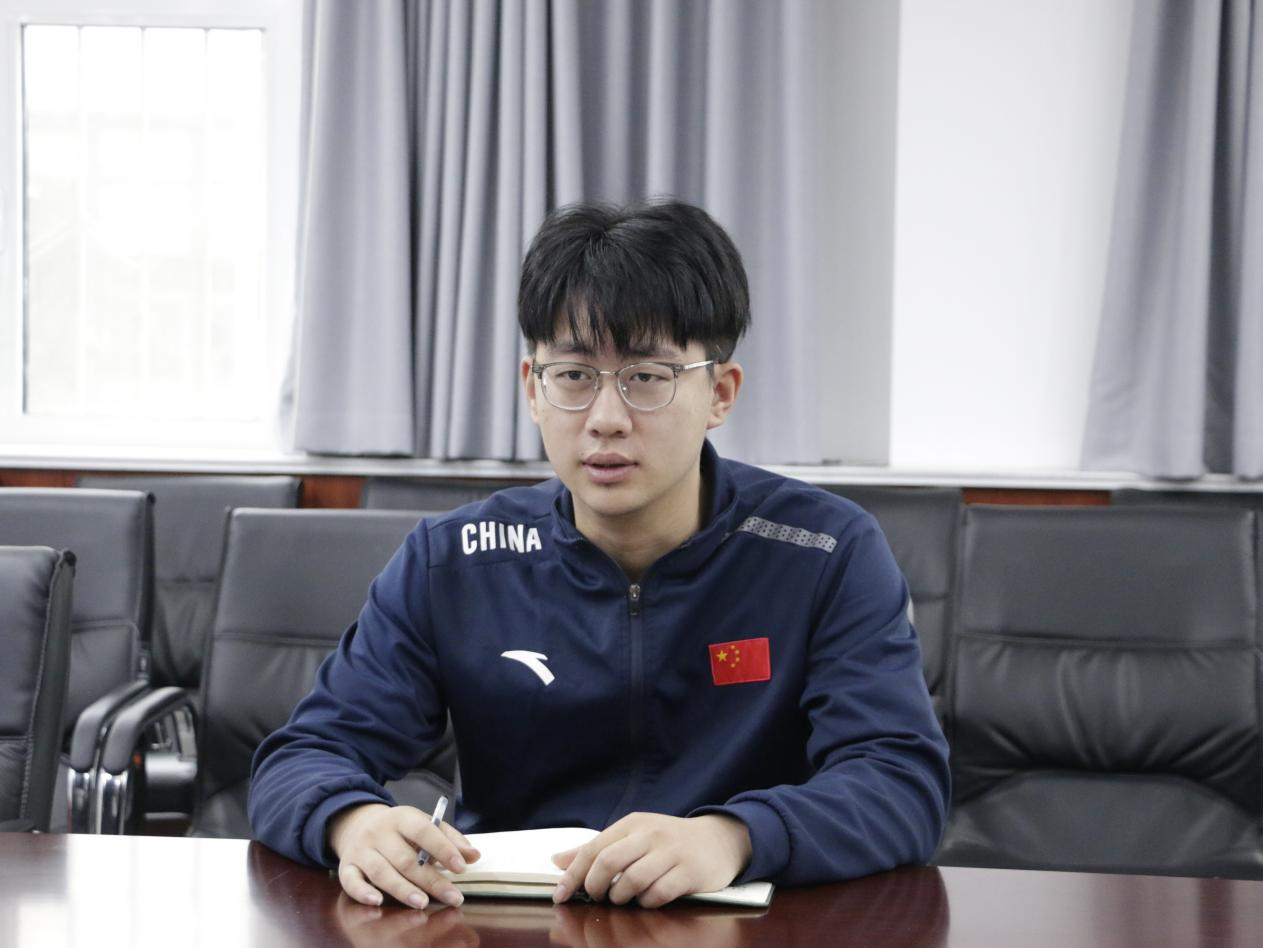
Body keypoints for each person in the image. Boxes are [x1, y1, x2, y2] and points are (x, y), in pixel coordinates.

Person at [249, 199, 950, 910]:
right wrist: (350, 821)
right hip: (509, 922)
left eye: (647, 377)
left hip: (737, 924)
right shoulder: (453, 560)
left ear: (719, 394)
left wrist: (734, 836)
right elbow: (302, 757)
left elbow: (901, 783)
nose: (606, 420)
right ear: (533, 389)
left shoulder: (826, 551)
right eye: (575, 376)